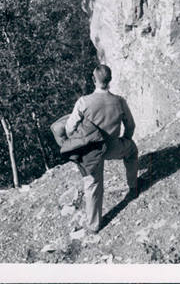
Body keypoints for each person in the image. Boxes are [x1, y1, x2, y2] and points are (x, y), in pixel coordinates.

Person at [64, 63, 138, 233]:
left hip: (91, 151)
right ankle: (133, 187)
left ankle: (94, 225)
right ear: (110, 80)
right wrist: (124, 140)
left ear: (93, 80)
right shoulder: (119, 101)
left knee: (93, 184)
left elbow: (69, 129)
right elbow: (131, 125)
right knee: (132, 150)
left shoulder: (83, 102)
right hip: (113, 147)